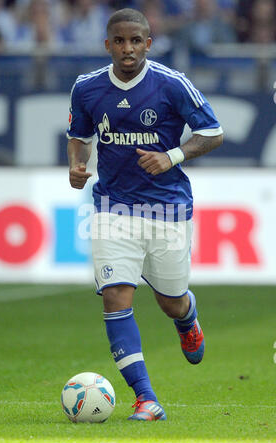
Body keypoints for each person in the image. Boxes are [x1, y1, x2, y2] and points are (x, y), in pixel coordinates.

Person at [66, 8, 223, 421]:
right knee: (116, 295)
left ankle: (187, 318)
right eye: (119, 41)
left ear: (148, 43)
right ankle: (146, 399)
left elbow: (213, 131)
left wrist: (171, 156)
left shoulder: (171, 84)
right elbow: (78, 137)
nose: (127, 48)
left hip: (167, 207)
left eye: (135, 41)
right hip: (112, 206)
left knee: (170, 301)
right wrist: (77, 164)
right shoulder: (86, 88)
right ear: (108, 44)